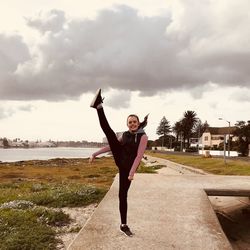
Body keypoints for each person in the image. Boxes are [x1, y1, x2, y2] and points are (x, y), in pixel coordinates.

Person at [89, 88, 148, 237]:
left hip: (127, 169)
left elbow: (139, 156)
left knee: (123, 196)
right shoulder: (125, 135)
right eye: (130, 122)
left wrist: (132, 172)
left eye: (134, 122)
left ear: (138, 123)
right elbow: (112, 146)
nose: (132, 124)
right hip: (120, 159)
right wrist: (96, 153)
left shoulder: (143, 137)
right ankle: (98, 106)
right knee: (109, 133)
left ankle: (123, 224)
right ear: (127, 124)